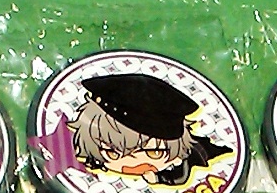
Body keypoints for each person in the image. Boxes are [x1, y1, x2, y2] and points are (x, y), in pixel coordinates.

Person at [68, 73, 231, 186]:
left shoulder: (189, 161)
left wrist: (160, 178)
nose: (134, 162)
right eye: (113, 153)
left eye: (155, 152)